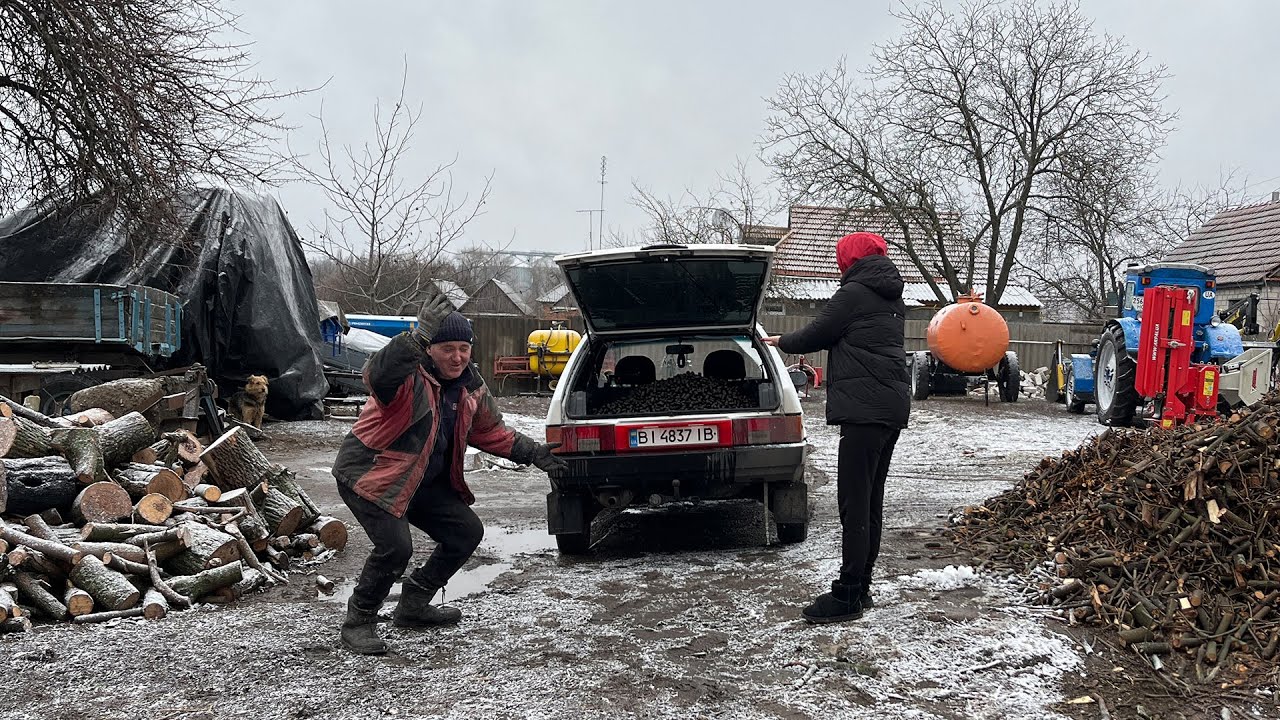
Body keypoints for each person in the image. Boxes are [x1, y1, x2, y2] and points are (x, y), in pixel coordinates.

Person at [332, 294, 567, 654]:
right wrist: (415, 338)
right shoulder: (406, 376)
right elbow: (377, 375)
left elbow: (490, 431)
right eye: (446, 348)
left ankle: (413, 603)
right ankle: (359, 621)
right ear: (430, 349)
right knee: (395, 548)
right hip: (372, 474)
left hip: (421, 480)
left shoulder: (471, 386)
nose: (457, 357)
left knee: (465, 532)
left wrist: (533, 452)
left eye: (463, 348)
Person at [763, 232, 910, 624]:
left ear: (850, 261)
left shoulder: (854, 295)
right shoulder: (892, 297)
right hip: (889, 410)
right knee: (870, 502)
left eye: (839, 260)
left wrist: (780, 340)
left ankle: (847, 594)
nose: (837, 267)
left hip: (864, 414)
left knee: (854, 505)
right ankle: (861, 588)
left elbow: (816, 334)